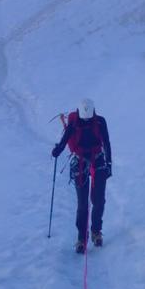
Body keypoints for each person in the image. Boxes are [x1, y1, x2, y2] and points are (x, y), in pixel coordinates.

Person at [52, 98, 112, 253]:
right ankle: (81, 238)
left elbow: (106, 142)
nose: (86, 122)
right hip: (80, 162)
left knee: (98, 200)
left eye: (88, 119)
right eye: (84, 119)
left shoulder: (99, 122)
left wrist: (109, 164)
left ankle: (96, 231)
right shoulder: (74, 123)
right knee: (82, 203)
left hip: (98, 159)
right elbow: (65, 139)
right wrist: (58, 149)